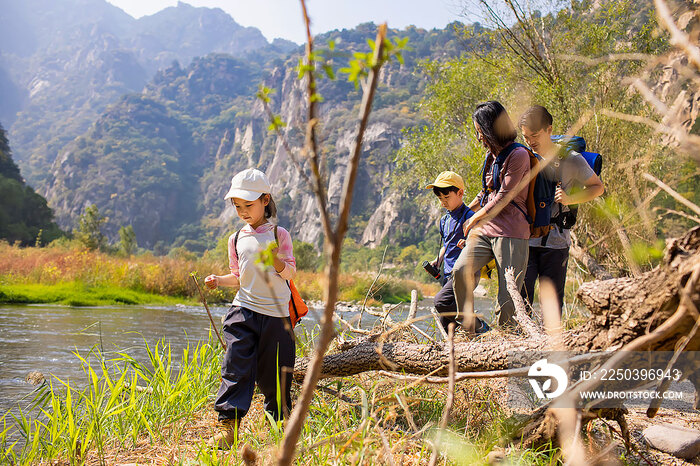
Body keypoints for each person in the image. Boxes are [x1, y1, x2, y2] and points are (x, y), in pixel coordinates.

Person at [204, 168, 297, 449]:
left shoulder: (280, 234)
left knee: (276, 374)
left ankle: (279, 425)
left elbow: (290, 273)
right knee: (235, 366)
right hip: (242, 310)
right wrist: (219, 280)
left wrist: (276, 261)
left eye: (248, 205)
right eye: (237, 206)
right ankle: (227, 428)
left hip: (277, 317)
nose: (243, 211)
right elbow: (239, 275)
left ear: (265, 200)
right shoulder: (235, 238)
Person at [451, 101, 531, 332]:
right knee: (460, 270)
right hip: (487, 231)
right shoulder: (491, 157)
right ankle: (470, 329)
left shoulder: (518, 155)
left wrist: (474, 219)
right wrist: (469, 210)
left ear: (491, 129)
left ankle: (506, 341)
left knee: (508, 297)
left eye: (480, 132)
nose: (479, 138)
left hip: (512, 233)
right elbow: (487, 191)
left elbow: (504, 197)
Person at [519, 105, 604, 312]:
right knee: (521, 302)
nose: (530, 142)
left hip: (556, 242)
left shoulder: (571, 159)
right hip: (526, 239)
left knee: (553, 306)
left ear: (549, 130)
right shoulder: (524, 157)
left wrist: (569, 198)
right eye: (526, 137)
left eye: (535, 135)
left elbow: (598, 187)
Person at [426, 171, 490, 334]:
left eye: (446, 198)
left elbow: (481, 241)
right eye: (440, 199)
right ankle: (456, 353)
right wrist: (437, 260)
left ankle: (479, 326)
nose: (443, 203)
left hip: (466, 272)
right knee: (446, 325)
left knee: (441, 302)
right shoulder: (444, 220)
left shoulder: (471, 217)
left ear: (460, 193)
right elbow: (447, 244)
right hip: (448, 274)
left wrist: (469, 243)